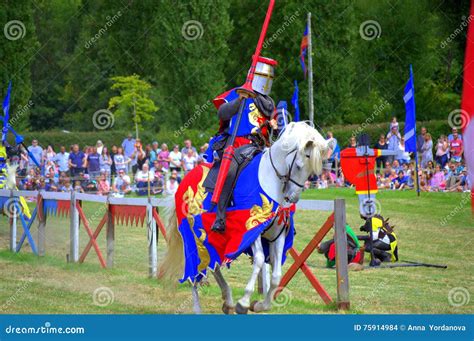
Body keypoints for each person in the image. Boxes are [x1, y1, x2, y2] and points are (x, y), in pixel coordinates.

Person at [204, 56, 278, 233]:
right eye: (263, 76)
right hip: (236, 144)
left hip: (259, 147)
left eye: (269, 78)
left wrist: (273, 125)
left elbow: (273, 128)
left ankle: (279, 216)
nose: (266, 80)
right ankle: (220, 218)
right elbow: (222, 113)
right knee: (228, 172)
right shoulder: (238, 93)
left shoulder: (268, 103)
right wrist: (239, 101)